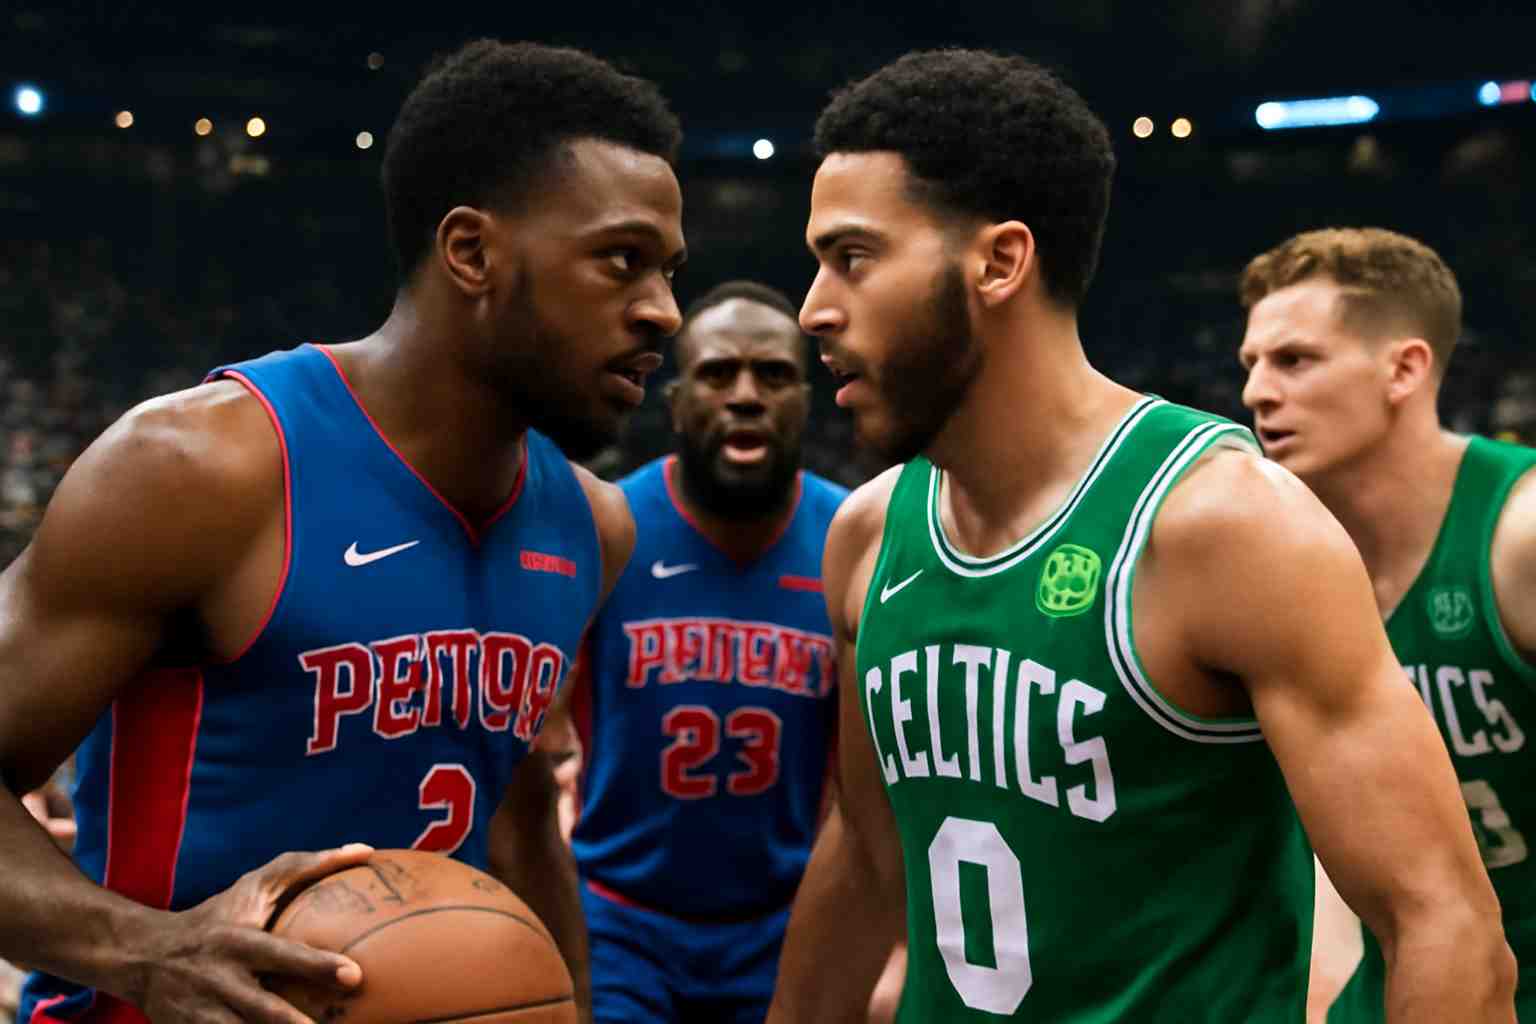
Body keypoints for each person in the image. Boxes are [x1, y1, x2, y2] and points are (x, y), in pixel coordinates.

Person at [765, 49, 1515, 1022]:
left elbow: (1444, 924)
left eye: (854, 258)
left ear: (1000, 262)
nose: (815, 308)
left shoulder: (1224, 523)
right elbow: (869, 860)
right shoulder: (867, 535)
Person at [0, 39, 685, 1024]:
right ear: (471, 252)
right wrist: (148, 952)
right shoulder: (207, 466)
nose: (663, 312)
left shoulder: (593, 526)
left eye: (668, 271)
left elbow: (520, 808)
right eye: (622, 261)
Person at [1238, 227, 1536, 1022]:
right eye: (1251, 364)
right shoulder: (1275, 563)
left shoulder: (1520, 536)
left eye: (1294, 360)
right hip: (1401, 990)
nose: (1257, 392)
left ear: (1404, 369)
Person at [558, 281, 846, 1022]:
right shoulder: (608, 526)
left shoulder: (851, 537)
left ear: (805, 401)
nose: (746, 397)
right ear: (678, 401)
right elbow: (538, 730)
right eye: (719, 374)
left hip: (785, 923)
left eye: (773, 375)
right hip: (621, 923)